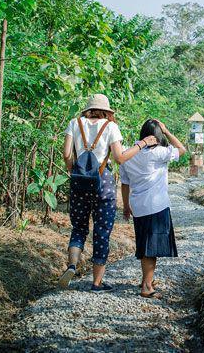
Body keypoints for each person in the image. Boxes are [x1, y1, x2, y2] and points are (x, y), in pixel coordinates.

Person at [60, 94, 157, 292]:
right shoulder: (110, 127)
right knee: (102, 231)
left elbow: (67, 154)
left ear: (88, 109)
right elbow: (120, 158)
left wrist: (74, 171)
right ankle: (96, 283)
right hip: (102, 182)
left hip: (79, 181)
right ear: (106, 111)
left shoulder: (74, 123)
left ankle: (71, 265)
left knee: (78, 227)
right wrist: (142, 144)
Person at [119, 119, 186, 298]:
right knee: (151, 248)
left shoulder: (128, 154)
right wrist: (167, 131)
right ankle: (147, 287)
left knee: (145, 245)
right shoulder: (159, 152)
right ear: (157, 136)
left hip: (138, 207)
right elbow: (182, 150)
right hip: (156, 206)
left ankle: (145, 280)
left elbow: (125, 184)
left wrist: (126, 206)